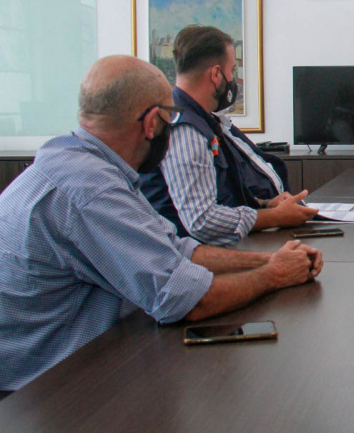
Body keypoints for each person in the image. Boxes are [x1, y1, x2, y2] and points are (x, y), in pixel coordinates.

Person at [0, 55, 323, 396]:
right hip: (42, 394)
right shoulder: (89, 189)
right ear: (152, 122)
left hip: (80, 362)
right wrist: (274, 275)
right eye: (171, 116)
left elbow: (177, 249)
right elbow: (183, 300)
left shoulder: (82, 160)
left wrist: (269, 259)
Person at [141, 25, 318, 246]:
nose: (232, 79)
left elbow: (224, 195)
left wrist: (266, 205)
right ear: (216, 75)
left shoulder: (204, 120)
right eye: (232, 71)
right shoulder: (186, 130)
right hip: (195, 261)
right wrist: (275, 217)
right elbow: (202, 221)